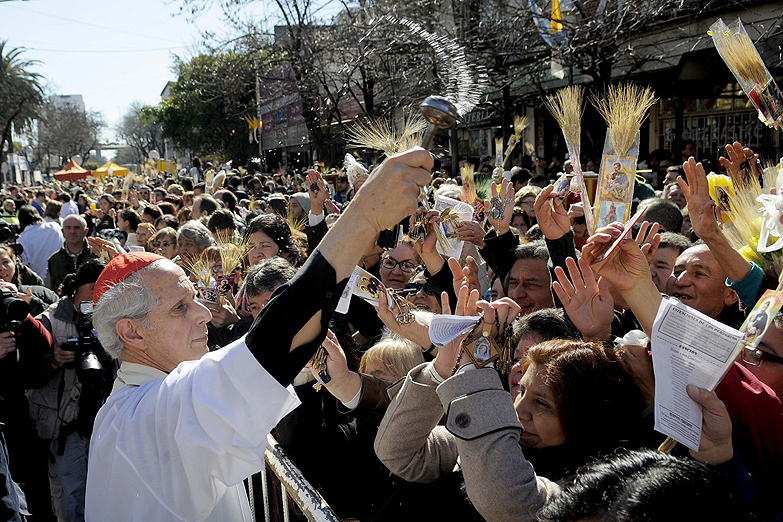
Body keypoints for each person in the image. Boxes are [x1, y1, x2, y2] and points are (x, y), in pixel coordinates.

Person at [84, 147, 433, 521]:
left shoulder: (146, 402)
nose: (203, 314)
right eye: (180, 307)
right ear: (132, 333)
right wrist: (364, 216)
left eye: (194, 299)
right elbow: (272, 343)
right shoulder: (147, 416)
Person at [32, 261, 110, 522]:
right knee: (68, 495)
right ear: (79, 288)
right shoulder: (51, 319)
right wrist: (54, 360)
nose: (100, 294)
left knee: (103, 494)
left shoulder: (112, 316)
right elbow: (28, 374)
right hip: (66, 423)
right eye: (95, 288)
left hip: (104, 420)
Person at [46, 214, 98, 294]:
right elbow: (50, 291)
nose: (72, 231)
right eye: (68, 228)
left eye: (77, 228)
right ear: (63, 232)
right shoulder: (54, 260)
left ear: (86, 231)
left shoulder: (96, 256)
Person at [17, 204, 64, 282]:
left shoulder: (22, 239)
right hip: (60, 277)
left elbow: (23, 265)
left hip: (39, 282)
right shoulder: (55, 227)